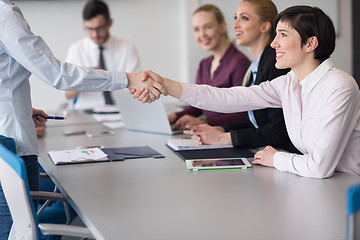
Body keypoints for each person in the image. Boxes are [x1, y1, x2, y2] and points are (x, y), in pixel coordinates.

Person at [138, 5, 360, 179]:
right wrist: (167, 86)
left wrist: (277, 158)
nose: (273, 44)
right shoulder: (288, 83)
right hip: (317, 183)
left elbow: (319, 166)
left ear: (310, 43)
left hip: (347, 187)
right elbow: (228, 98)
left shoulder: (340, 86)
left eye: (282, 34)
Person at [0, 1, 156, 239]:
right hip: (12, 146)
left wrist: (19, 108)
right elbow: (58, 75)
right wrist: (128, 78)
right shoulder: (4, 14)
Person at [183, 0, 298, 153]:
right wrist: (221, 129)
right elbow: (255, 123)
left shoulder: (276, 66)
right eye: (235, 18)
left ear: (265, 26)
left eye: (244, 18)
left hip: (284, 156)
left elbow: (278, 131)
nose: (235, 25)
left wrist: (224, 138)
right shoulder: (255, 67)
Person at [168, 4, 250, 130]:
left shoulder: (239, 62)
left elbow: (242, 114)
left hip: (226, 134)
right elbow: (198, 104)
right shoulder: (204, 64)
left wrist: (204, 121)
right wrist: (174, 116)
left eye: (208, 27)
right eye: (196, 29)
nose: (202, 34)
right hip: (207, 130)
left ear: (222, 27)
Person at [65, 0, 141, 110]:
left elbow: (136, 88)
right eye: (89, 29)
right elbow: (68, 94)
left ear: (110, 23)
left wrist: (112, 79)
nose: (95, 34)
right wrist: (86, 76)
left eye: (99, 28)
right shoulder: (76, 50)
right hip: (85, 112)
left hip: (120, 111)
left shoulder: (128, 49)